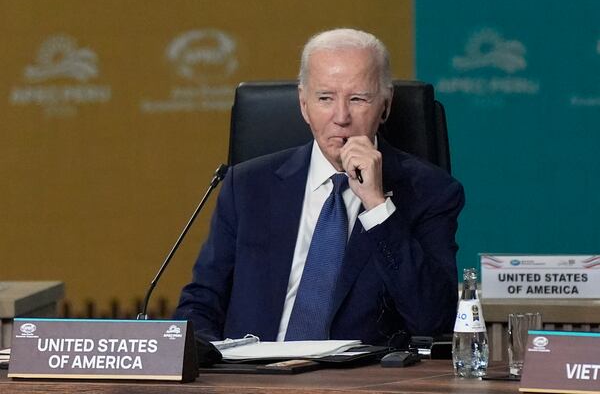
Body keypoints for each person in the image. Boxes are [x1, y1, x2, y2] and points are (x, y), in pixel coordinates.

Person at [174, 28, 465, 346]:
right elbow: (200, 304)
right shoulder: (246, 186)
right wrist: (210, 360)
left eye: (358, 99)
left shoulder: (430, 191)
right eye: (325, 98)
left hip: (358, 383)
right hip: (251, 377)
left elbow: (433, 318)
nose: (341, 117)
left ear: (385, 105)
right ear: (303, 104)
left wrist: (377, 204)